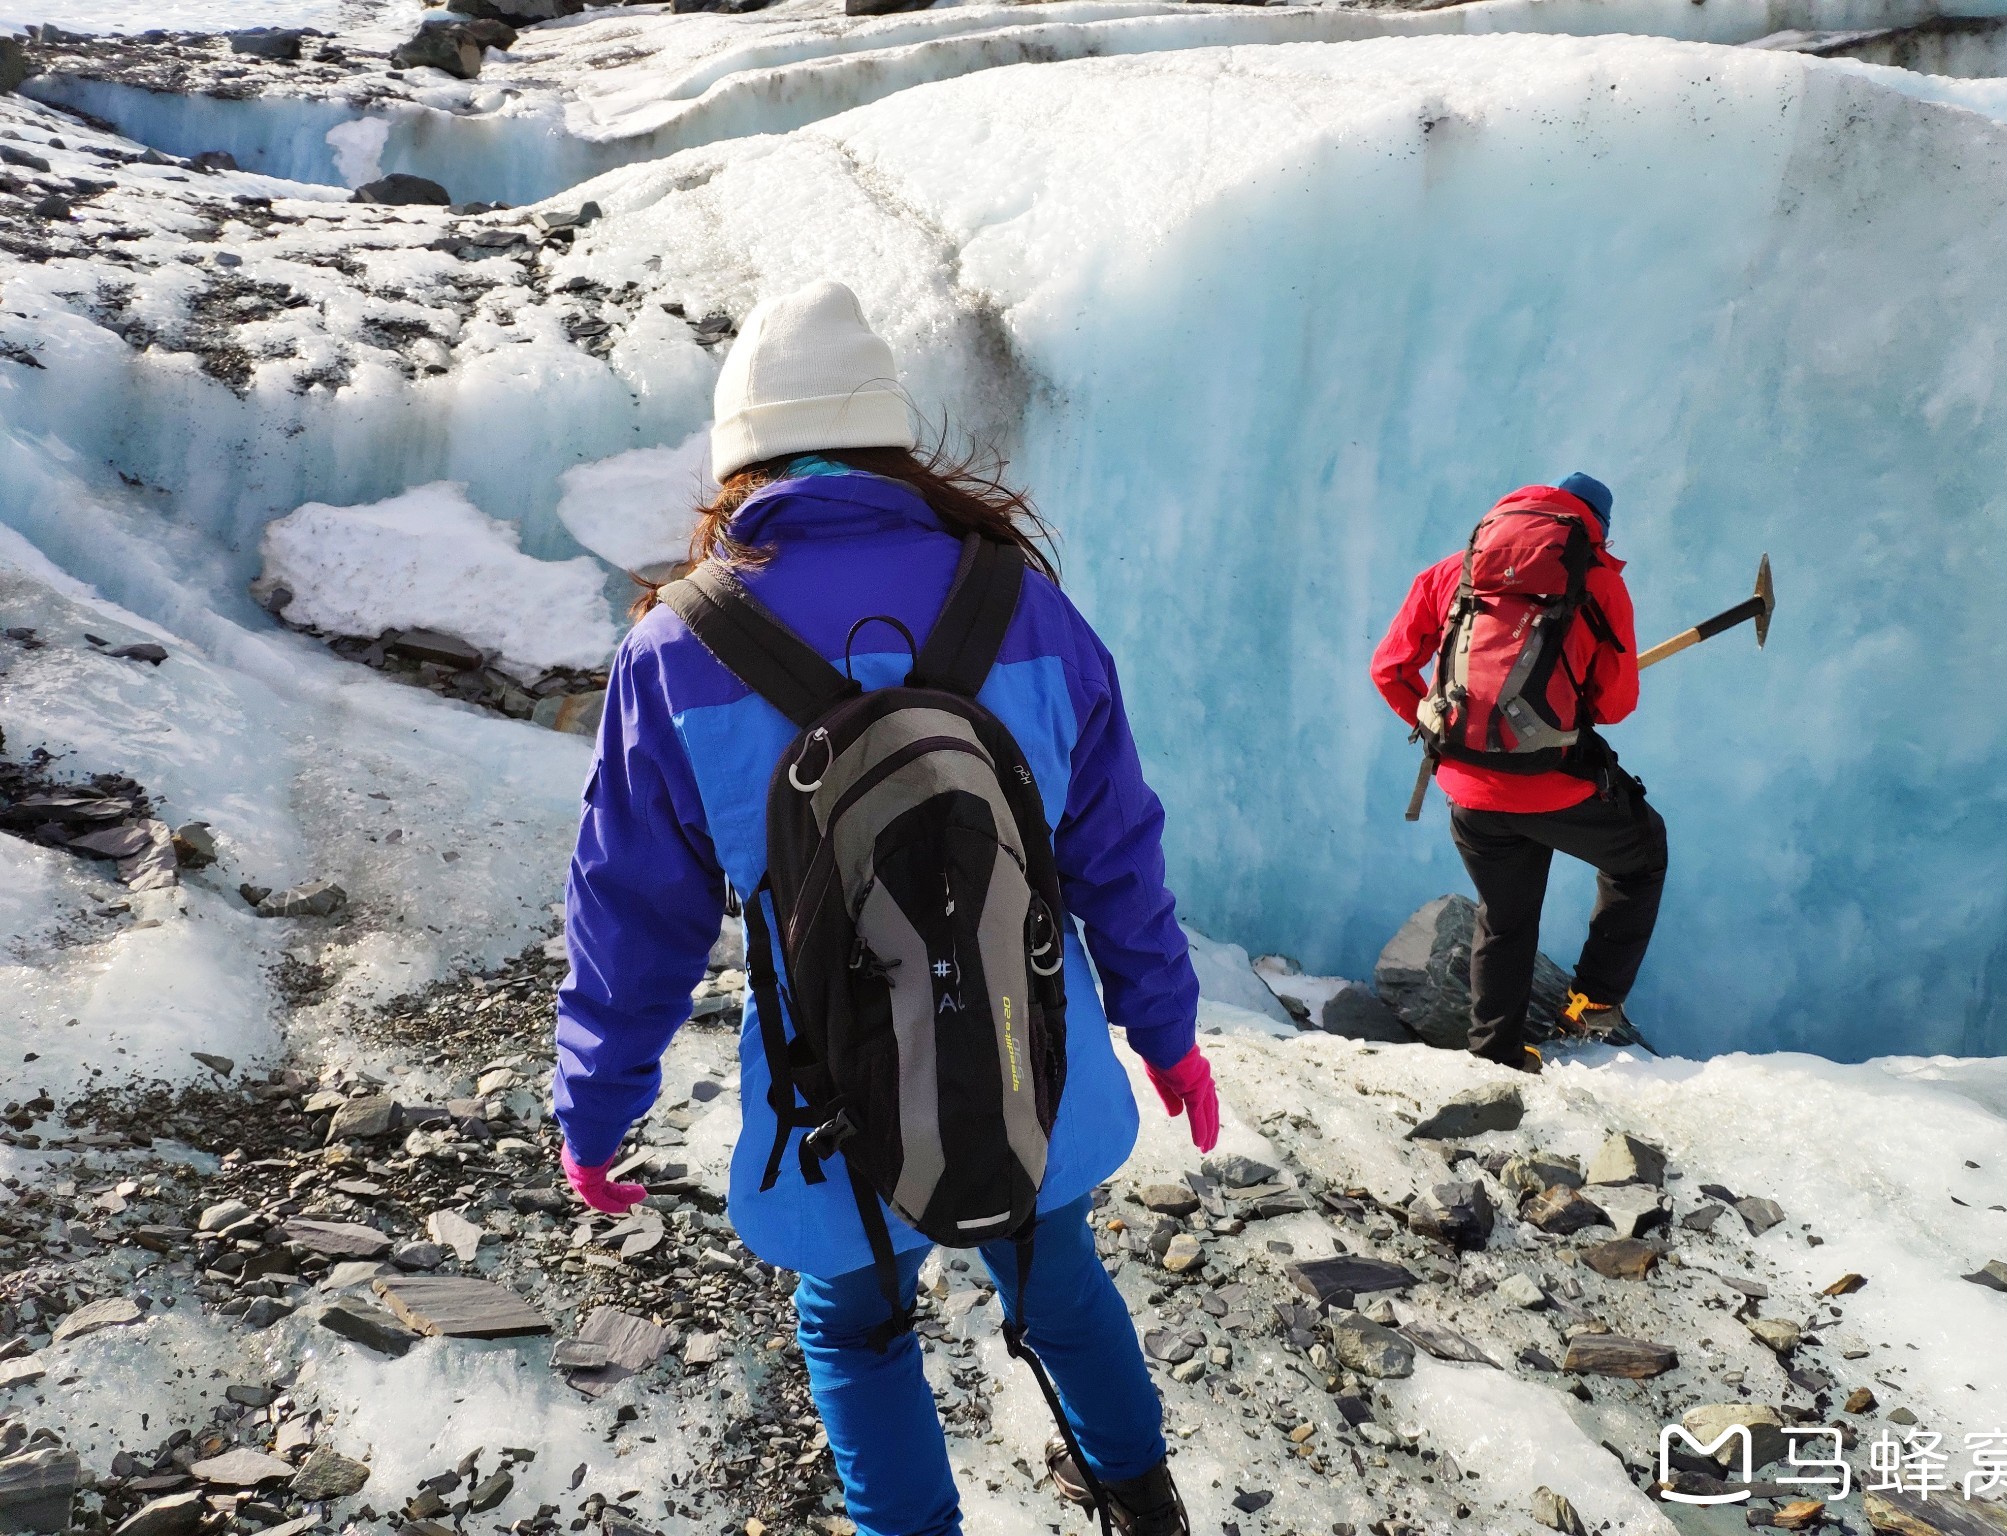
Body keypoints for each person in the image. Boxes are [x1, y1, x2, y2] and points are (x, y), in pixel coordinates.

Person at [551, 280, 1217, 1536]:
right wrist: (1166, 1032)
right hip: (1035, 1057)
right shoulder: (1018, 601)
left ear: (740, 456)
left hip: (828, 1099)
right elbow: (1114, 846)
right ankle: (1140, 1498)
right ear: (890, 440)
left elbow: (630, 917)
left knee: (855, 1328)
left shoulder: (677, 649)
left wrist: (597, 1107)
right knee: (1054, 1275)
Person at [1370, 474, 1667, 1071]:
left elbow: (1390, 668)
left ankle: (1497, 1054)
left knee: (1504, 918)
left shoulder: (1453, 571)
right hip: (1557, 786)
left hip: (1470, 794)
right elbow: (1615, 706)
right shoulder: (1600, 583)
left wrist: (1440, 733)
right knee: (1640, 856)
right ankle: (1593, 1000)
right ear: (1595, 530)